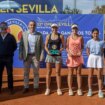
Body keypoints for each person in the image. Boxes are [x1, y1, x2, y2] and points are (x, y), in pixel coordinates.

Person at [19, 20, 44, 94]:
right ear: (28, 25)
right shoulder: (24, 34)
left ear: (35, 26)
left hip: (35, 56)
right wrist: (20, 54)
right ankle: (26, 87)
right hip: (27, 56)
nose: (32, 26)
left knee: (36, 73)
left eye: (33, 25)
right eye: (31, 25)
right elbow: (21, 45)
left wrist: (42, 55)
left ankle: (35, 87)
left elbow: (42, 47)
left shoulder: (39, 35)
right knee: (26, 73)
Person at [44, 23, 64, 95]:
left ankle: (59, 89)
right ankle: (48, 89)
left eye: (55, 28)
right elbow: (45, 46)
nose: (54, 29)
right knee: (49, 72)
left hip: (58, 56)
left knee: (58, 72)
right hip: (50, 55)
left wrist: (60, 51)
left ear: (57, 28)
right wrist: (48, 51)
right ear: (51, 28)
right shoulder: (48, 36)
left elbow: (63, 46)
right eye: (53, 28)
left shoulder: (61, 36)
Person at [86, 28, 104, 98]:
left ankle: (100, 91)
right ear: (92, 34)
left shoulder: (102, 42)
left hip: (99, 57)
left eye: (96, 33)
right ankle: (90, 90)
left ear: (98, 34)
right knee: (90, 76)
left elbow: (102, 51)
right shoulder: (89, 42)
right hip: (91, 57)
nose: (95, 35)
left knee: (99, 75)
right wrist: (90, 57)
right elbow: (87, 50)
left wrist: (101, 58)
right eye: (94, 33)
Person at [66, 24, 84, 96]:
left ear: (77, 29)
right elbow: (66, 47)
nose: (75, 30)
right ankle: (70, 89)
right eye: (73, 29)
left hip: (78, 57)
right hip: (71, 57)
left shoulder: (81, 37)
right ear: (72, 30)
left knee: (79, 73)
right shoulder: (68, 38)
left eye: (76, 29)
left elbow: (82, 46)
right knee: (70, 74)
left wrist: (80, 51)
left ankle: (79, 89)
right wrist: (69, 52)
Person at [0, 22, 17, 94]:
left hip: (8, 58)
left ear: (7, 28)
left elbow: (15, 46)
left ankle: (10, 88)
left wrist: (9, 53)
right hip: (0, 59)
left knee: (9, 73)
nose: (3, 29)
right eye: (2, 28)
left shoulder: (11, 37)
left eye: (4, 28)